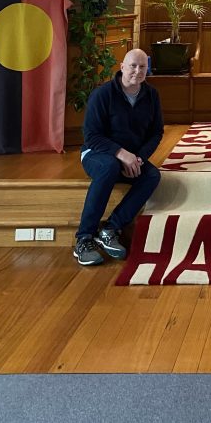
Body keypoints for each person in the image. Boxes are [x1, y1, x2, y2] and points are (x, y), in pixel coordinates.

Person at [73, 48, 163, 267]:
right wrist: (122, 154)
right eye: (133, 65)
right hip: (98, 154)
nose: (137, 71)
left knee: (152, 176)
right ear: (122, 66)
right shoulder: (103, 94)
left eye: (143, 67)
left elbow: (156, 132)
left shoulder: (151, 95)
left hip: (132, 157)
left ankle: (110, 228)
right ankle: (84, 238)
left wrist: (138, 158)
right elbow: (91, 136)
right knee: (109, 167)